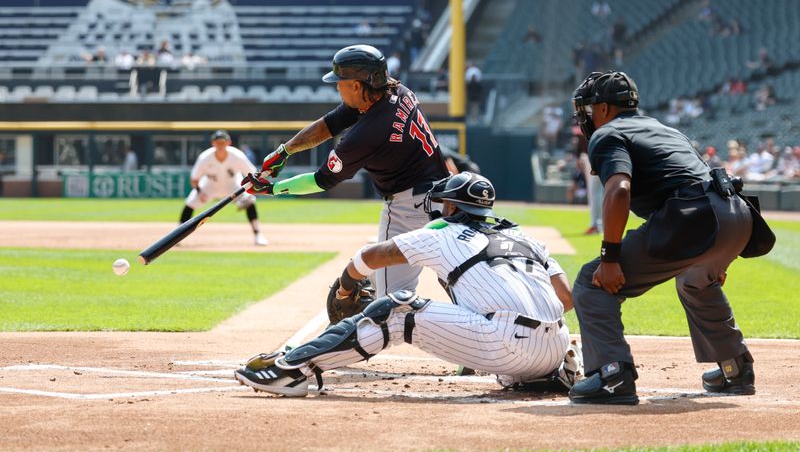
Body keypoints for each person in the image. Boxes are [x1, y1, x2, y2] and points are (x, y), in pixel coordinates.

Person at [234, 173, 582, 397]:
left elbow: (373, 255)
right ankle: (541, 375)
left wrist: (346, 283)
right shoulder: (524, 236)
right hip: (554, 350)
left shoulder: (442, 232)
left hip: (506, 348)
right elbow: (565, 299)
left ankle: (290, 368)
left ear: (449, 205)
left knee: (397, 309)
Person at [568, 70, 773, 405]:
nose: (586, 117)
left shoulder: (607, 135)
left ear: (603, 109)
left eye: (589, 109)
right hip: (738, 214)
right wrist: (717, 256)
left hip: (694, 217)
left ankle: (612, 376)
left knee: (592, 283)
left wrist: (610, 257)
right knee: (696, 280)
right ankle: (735, 368)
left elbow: (619, 190)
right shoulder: (664, 129)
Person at [242, 44, 448, 295]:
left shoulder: (365, 135)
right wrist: (284, 151)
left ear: (357, 85)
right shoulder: (397, 92)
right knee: (454, 279)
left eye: (341, 82)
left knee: (393, 301)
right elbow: (330, 123)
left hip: (408, 209)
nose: (337, 87)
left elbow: (321, 180)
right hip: (444, 199)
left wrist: (273, 189)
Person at [181, 130, 268, 246]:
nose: (220, 145)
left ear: (229, 142)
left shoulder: (237, 156)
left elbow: (252, 173)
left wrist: (249, 191)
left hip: (233, 185)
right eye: (218, 142)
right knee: (190, 203)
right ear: (213, 143)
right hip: (209, 186)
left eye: (223, 142)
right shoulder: (205, 157)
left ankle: (258, 234)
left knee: (249, 202)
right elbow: (194, 178)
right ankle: (178, 236)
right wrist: (199, 192)